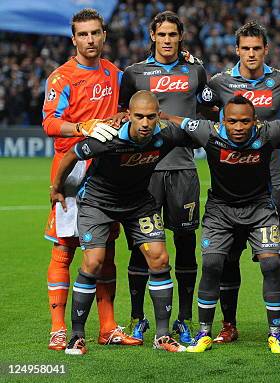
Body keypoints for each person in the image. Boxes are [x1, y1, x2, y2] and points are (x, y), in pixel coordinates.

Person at [158, 96, 280, 354]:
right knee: (211, 265)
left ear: (255, 121)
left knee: (271, 263)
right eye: (232, 121)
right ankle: (204, 332)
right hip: (220, 210)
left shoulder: (268, 132)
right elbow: (181, 122)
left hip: (260, 209)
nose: (238, 127)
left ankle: (276, 333)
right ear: (222, 121)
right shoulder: (207, 132)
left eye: (245, 121)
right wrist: (162, 116)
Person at [50, 90, 207, 354]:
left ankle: (162, 336)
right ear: (128, 116)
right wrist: (57, 188)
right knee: (93, 261)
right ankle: (76, 336)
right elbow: (72, 155)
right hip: (98, 203)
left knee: (160, 258)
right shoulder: (107, 138)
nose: (145, 123)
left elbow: (199, 133)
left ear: (158, 116)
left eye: (150, 117)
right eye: (139, 117)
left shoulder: (166, 135)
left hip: (138, 203)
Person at [42, 8, 138, 351]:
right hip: (72, 169)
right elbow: (51, 123)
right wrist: (81, 127)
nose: (90, 40)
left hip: (107, 170)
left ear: (104, 35)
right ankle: (58, 328)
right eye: (83, 34)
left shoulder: (115, 74)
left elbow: (133, 105)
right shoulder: (62, 78)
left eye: (95, 33)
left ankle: (108, 327)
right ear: (74, 39)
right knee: (65, 247)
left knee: (104, 249)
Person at [198, 21, 280, 343]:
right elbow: (201, 112)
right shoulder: (219, 82)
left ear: (266, 50)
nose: (252, 54)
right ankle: (228, 324)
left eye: (257, 48)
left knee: (274, 255)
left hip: (272, 182)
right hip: (231, 182)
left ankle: (279, 324)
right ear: (236, 50)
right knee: (226, 257)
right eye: (246, 48)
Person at [118, 10, 209, 344]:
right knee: (140, 247)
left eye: (174, 35)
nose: (168, 40)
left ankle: (183, 319)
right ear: (152, 36)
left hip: (183, 169)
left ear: (180, 37)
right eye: (163, 34)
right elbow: (121, 116)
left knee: (185, 245)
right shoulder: (134, 74)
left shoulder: (196, 71)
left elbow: (211, 110)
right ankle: (137, 317)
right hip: (143, 172)